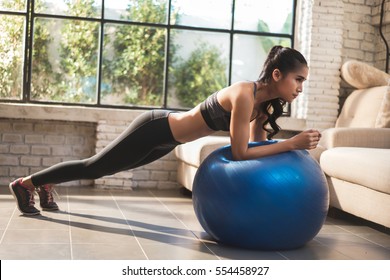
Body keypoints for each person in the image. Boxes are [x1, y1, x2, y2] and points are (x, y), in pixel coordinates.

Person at [9, 45, 321, 216]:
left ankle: (46, 184)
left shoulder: (263, 106)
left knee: (104, 169)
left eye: (303, 81)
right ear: (278, 74)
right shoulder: (244, 94)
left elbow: (255, 149)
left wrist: (288, 144)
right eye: (298, 79)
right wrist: (292, 144)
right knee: (97, 167)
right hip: (155, 128)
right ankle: (26, 183)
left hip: (166, 142)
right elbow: (240, 153)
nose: (301, 88)